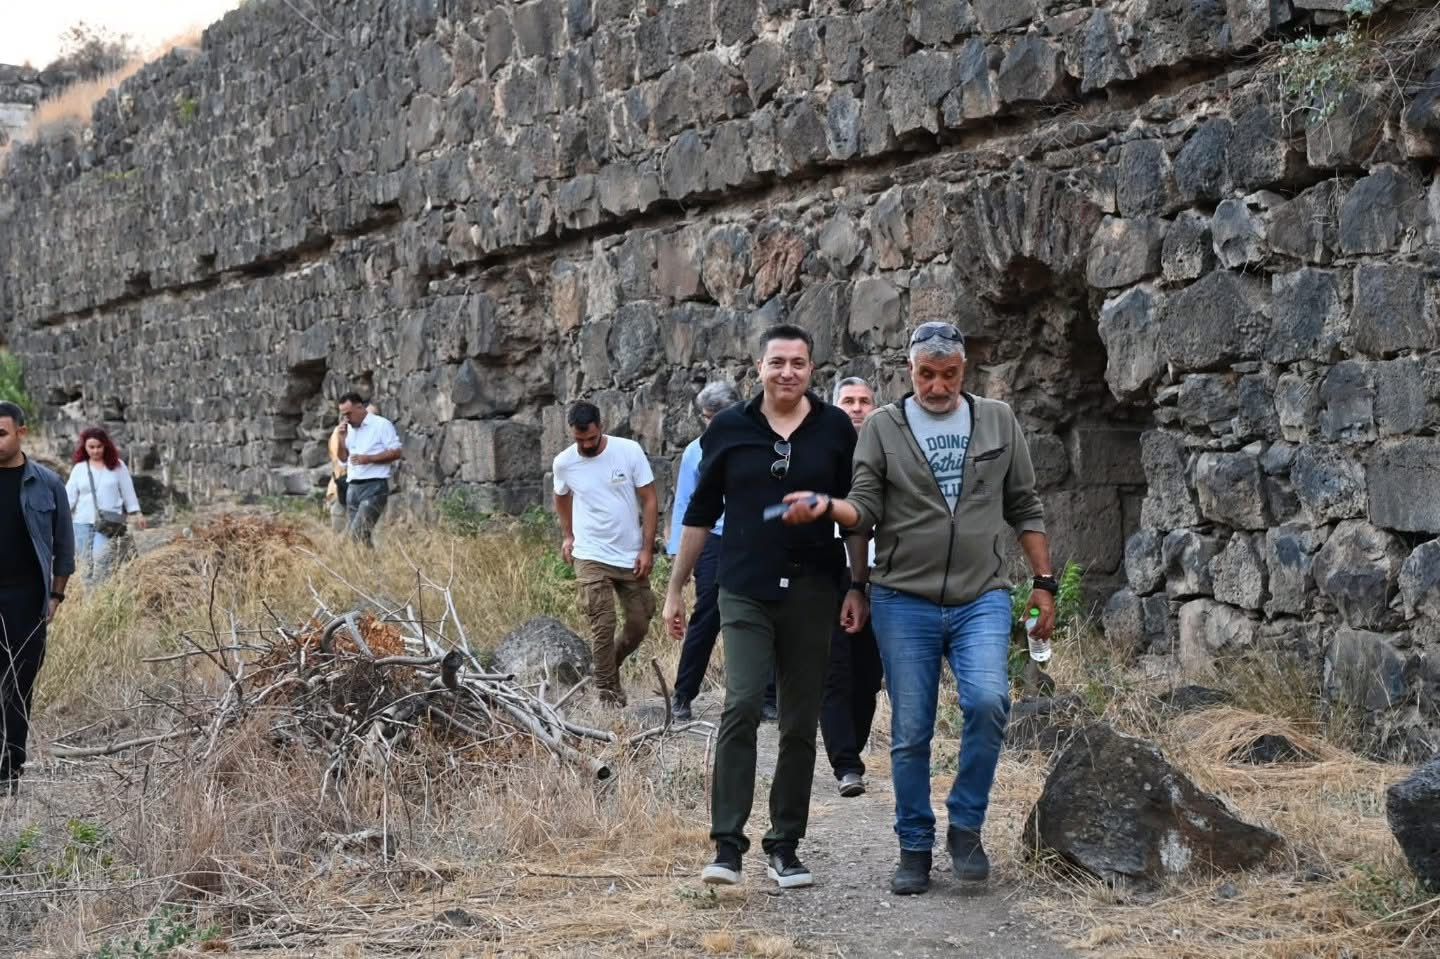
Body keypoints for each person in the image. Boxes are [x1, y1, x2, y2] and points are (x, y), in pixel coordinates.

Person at [779, 321, 1055, 895]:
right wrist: (831, 514)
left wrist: (1044, 582)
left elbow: (1024, 505)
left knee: (987, 700)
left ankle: (967, 826)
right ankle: (914, 846)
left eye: (948, 375)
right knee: (911, 730)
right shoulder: (883, 427)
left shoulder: (998, 420)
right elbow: (863, 509)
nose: (937, 386)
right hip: (903, 598)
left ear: (964, 371)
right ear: (910, 371)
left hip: (982, 594)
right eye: (926, 375)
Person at [664, 324, 864, 891]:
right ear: (759, 366)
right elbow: (698, 517)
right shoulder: (728, 430)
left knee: (800, 719)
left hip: (813, 589)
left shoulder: (834, 431)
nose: (787, 373)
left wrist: (857, 586)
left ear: (811, 369)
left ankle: (784, 845)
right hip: (745, 586)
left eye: (798, 363)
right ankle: (727, 845)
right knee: (744, 704)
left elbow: (857, 511)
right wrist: (676, 591)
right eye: (778, 362)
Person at [553, 402, 659, 707]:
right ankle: (608, 693)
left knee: (639, 623)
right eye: (579, 440)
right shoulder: (564, 463)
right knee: (602, 622)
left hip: (629, 553)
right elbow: (561, 498)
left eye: (591, 439)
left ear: (602, 426)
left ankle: (606, 664)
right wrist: (568, 535)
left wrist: (646, 548)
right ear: (571, 433)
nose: (586, 445)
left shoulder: (629, 451)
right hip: (590, 553)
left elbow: (650, 499)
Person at [0, 401, 75, 794]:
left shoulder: (47, 484)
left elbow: (64, 546)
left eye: (1, 434)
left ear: (21, 434)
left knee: (18, 684)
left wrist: (56, 596)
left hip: (27, 600)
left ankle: (9, 769)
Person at [821, 377, 883, 799]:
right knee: (835, 670)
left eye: (864, 401)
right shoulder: (822, 453)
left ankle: (852, 748)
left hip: (882, 574)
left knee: (868, 675)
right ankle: (846, 763)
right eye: (848, 401)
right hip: (831, 573)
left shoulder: (890, 451)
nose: (857, 408)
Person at [666, 381, 739, 721]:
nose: (712, 423)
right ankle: (683, 694)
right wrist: (677, 551)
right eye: (707, 417)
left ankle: (769, 695)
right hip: (712, 538)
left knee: (765, 613)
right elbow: (686, 504)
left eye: (717, 416)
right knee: (707, 613)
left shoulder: (760, 442)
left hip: (752, 537)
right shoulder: (696, 451)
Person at [64, 427, 146, 585]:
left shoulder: (117, 466)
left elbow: (128, 491)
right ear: (85, 448)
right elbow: (69, 496)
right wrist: (59, 517)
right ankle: (90, 602)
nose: (95, 451)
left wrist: (137, 512)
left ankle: (102, 592)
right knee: (85, 564)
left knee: (102, 559)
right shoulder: (79, 469)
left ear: (105, 446)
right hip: (82, 522)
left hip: (108, 522)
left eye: (99, 447)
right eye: (91, 447)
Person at [335, 393, 403, 546]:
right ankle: (368, 568)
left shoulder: (381, 425)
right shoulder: (348, 429)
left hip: (374, 487)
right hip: (352, 488)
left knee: (357, 534)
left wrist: (369, 459)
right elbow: (343, 460)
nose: (346, 418)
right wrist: (340, 439)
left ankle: (370, 566)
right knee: (360, 538)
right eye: (343, 415)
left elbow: (396, 452)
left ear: (360, 407)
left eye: (348, 413)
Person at [325, 402, 380, 533]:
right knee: (343, 539)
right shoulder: (341, 433)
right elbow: (342, 460)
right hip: (342, 494)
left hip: (363, 495)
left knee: (361, 537)